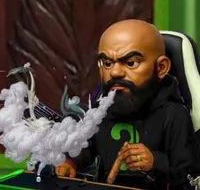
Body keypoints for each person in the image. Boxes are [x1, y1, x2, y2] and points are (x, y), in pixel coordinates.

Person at [55, 20, 199, 189]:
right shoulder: (101, 111)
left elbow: (188, 173)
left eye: (131, 63)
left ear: (161, 68)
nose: (115, 72)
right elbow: (86, 148)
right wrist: (69, 163)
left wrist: (155, 162)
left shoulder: (173, 114)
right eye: (107, 63)